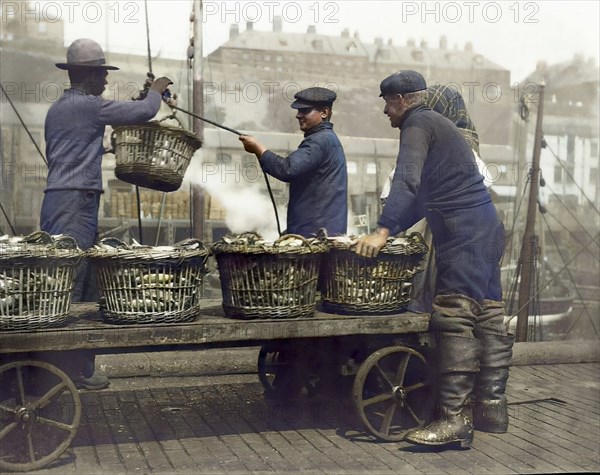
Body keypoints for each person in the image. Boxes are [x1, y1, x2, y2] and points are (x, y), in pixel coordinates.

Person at [355, 71, 513, 449]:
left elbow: (407, 180)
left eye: (387, 102)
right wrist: (391, 229)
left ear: (403, 99)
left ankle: (453, 420)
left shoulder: (417, 123)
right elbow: (422, 199)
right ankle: (491, 409)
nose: (385, 111)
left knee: (453, 316)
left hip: (463, 233)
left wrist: (381, 230)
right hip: (486, 228)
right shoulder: (439, 124)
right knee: (489, 313)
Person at [40, 38, 172, 390]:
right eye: (101, 75)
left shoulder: (63, 108)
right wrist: (156, 90)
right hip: (75, 202)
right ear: (86, 76)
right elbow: (143, 113)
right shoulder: (88, 106)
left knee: (71, 280)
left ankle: (74, 365)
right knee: (71, 282)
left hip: (62, 198)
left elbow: (79, 145)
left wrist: (107, 146)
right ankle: (66, 369)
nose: (105, 81)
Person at [380, 83, 493, 313]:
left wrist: (384, 229)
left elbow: (403, 185)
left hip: (439, 232)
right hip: (464, 232)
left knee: (434, 293)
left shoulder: (440, 139)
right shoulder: (455, 142)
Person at [238, 87, 348, 238]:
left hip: (317, 236)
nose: (298, 115)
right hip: (319, 233)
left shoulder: (320, 141)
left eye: (305, 111)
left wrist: (258, 148)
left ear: (324, 112)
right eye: (298, 111)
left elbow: (287, 170)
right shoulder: (326, 139)